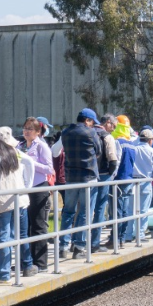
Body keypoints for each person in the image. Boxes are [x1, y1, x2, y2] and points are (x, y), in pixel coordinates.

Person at [0, 131, 30, 284]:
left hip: (0, 202)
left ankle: (2, 273)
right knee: (14, 236)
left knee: (3, 238)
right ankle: (15, 267)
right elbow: (28, 165)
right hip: (18, 199)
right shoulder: (12, 152)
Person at [59, 108, 102, 257]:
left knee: (68, 211)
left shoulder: (65, 132)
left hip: (71, 177)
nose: (93, 125)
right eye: (92, 122)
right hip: (88, 176)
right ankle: (79, 247)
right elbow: (98, 150)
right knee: (85, 212)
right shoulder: (91, 133)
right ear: (87, 120)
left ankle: (63, 246)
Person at [19, 117, 54, 273]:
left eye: (30, 129)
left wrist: (30, 162)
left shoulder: (41, 146)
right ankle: (26, 262)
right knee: (25, 227)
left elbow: (49, 169)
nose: (26, 131)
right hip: (24, 188)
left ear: (38, 132)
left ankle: (41, 263)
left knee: (38, 226)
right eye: (25, 128)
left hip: (39, 188)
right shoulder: (20, 146)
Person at [90, 114, 120, 253]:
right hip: (102, 175)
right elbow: (112, 159)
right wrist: (110, 174)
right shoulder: (107, 136)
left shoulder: (88, 132)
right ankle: (94, 243)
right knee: (100, 208)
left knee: (84, 209)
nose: (113, 129)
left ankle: (77, 243)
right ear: (108, 123)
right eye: (113, 126)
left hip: (87, 175)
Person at [113, 120, 139, 242]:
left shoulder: (117, 142)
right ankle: (122, 237)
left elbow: (117, 162)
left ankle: (116, 238)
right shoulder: (132, 144)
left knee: (117, 210)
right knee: (125, 210)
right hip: (129, 179)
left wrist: (112, 177)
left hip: (119, 180)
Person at [133, 128, 153, 234]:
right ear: (150, 140)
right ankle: (140, 233)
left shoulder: (133, 149)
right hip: (146, 181)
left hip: (132, 181)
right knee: (143, 209)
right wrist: (152, 177)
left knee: (131, 209)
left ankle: (129, 234)